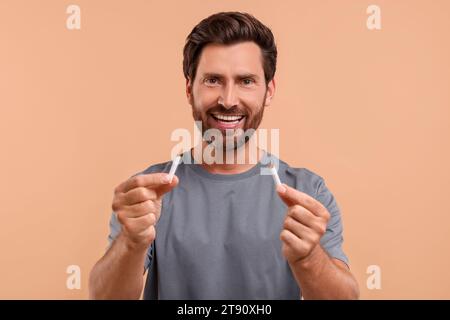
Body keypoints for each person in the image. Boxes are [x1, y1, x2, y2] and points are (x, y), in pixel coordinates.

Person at [89, 11, 359, 300]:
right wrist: (131, 242)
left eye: (246, 81)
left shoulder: (308, 192)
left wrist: (309, 259)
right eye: (213, 80)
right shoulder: (148, 193)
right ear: (189, 89)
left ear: (269, 91)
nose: (228, 100)